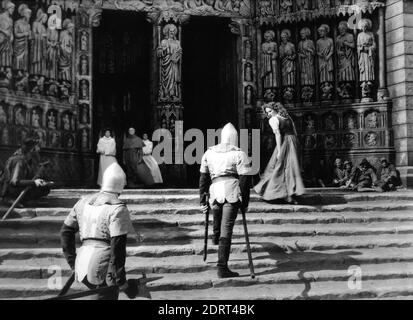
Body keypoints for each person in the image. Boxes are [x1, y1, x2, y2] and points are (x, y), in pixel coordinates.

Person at [60, 163, 135, 300]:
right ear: (121, 186)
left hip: (82, 261)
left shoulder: (82, 202)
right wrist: (121, 280)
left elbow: (65, 231)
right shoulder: (118, 209)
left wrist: (73, 262)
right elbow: (117, 247)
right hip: (102, 265)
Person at [199, 123, 251, 279]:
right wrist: (244, 203)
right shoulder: (239, 153)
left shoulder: (209, 152)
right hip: (231, 191)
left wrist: (202, 201)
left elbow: (203, 178)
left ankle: (215, 238)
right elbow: (245, 180)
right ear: (235, 138)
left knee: (218, 217)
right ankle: (222, 267)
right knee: (227, 228)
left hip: (215, 192)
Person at [254, 102, 305, 204]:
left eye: (270, 111)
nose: (268, 114)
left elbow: (278, 135)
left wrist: (279, 150)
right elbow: (294, 131)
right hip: (292, 141)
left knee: (285, 167)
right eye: (266, 112)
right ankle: (286, 194)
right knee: (286, 167)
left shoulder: (274, 119)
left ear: (275, 110)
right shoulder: (286, 117)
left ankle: (288, 193)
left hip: (286, 142)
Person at [0, 137, 51, 207]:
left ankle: (26, 201)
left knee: (45, 187)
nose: (39, 152)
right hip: (10, 190)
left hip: (17, 188)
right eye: (37, 150)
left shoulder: (27, 159)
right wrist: (34, 182)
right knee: (42, 188)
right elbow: (15, 181)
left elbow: (29, 175)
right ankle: (11, 199)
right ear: (32, 150)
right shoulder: (19, 160)